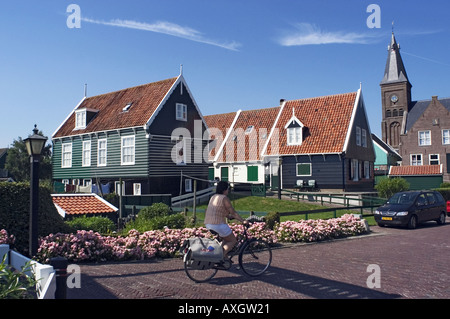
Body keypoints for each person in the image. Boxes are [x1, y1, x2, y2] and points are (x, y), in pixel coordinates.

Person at [204, 181, 247, 258]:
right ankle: (221, 257)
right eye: (228, 189)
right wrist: (243, 221)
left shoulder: (213, 197)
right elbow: (233, 212)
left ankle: (221, 255)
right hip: (217, 224)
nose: (228, 190)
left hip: (208, 223)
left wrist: (228, 216)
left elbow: (218, 210)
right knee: (232, 240)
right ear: (224, 190)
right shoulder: (224, 198)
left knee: (226, 239)